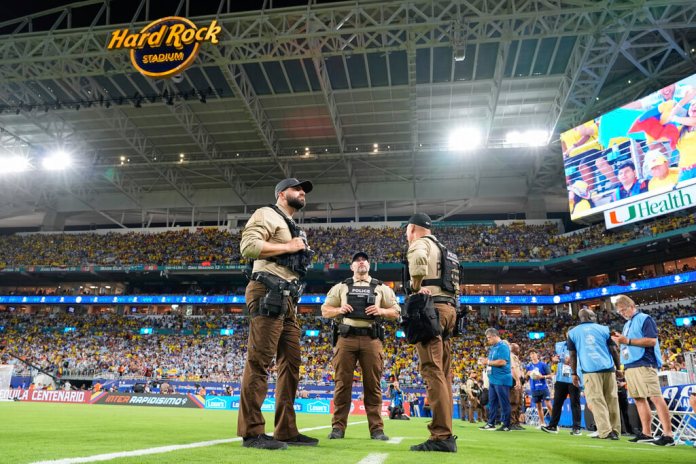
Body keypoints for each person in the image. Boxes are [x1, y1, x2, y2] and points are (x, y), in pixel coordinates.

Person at [237, 177, 318, 450]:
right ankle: (252, 432)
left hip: (289, 299)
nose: (302, 193)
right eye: (297, 189)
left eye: (304, 191)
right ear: (282, 194)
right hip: (267, 290)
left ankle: (285, 430)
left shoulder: (295, 227)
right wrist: (288, 247)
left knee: (291, 365)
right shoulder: (266, 214)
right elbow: (247, 247)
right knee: (260, 362)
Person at [321, 251, 400, 440]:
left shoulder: (381, 288)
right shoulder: (341, 287)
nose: (361, 262)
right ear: (352, 267)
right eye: (357, 260)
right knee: (342, 384)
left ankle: (377, 430)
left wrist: (381, 310)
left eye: (364, 259)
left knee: (373, 385)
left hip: (371, 339)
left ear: (369, 265)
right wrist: (339, 309)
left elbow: (397, 311)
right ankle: (338, 428)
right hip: (346, 337)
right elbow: (324, 310)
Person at [405, 213, 459, 453]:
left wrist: (415, 286)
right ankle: (445, 431)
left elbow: (417, 264)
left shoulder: (420, 243)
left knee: (431, 370)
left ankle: (441, 436)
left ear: (413, 229)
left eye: (407, 231)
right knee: (444, 374)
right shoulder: (446, 249)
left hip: (431, 310)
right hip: (449, 310)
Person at [611, 295, 675, 446]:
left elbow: (652, 341)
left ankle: (668, 434)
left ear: (631, 306)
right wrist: (621, 341)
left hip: (645, 362)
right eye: (620, 312)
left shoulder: (645, 318)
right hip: (631, 365)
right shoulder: (627, 324)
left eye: (623, 310)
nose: (622, 313)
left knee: (655, 397)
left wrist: (626, 341)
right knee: (639, 398)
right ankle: (647, 433)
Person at [567, 308, 621, 441]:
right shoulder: (604, 329)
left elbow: (573, 355)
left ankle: (605, 431)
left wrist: (574, 373)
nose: (595, 316)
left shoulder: (572, 333)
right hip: (608, 368)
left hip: (590, 371)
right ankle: (615, 430)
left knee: (597, 401)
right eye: (593, 315)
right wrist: (618, 368)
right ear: (590, 316)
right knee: (612, 399)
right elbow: (613, 350)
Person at [541, 340, 582, 435]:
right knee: (557, 404)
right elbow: (556, 359)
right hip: (560, 379)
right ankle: (553, 426)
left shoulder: (580, 345)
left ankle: (577, 428)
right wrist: (554, 360)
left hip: (574, 378)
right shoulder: (559, 345)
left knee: (574, 403)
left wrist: (571, 361)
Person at [479, 328, 512, 432]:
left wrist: (487, 362)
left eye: (489, 338)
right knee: (492, 402)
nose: (488, 340)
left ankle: (506, 425)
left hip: (501, 379)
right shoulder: (494, 347)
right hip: (493, 378)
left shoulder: (503, 346)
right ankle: (491, 423)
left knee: (504, 402)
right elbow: (492, 362)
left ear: (494, 336)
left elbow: (502, 362)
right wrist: (485, 362)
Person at [526, 350, 553, 426]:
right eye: (531, 354)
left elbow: (550, 375)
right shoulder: (528, 366)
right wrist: (527, 374)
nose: (533, 355)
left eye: (534, 353)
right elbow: (526, 377)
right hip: (534, 388)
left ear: (537, 355)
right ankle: (542, 423)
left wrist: (542, 376)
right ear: (530, 356)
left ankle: (554, 423)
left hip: (543, 387)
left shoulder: (543, 365)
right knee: (538, 407)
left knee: (549, 405)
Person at [509, 343, 525, 430]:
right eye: (517, 348)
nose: (519, 350)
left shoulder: (516, 357)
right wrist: (517, 380)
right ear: (512, 349)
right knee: (514, 402)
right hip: (515, 382)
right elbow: (513, 369)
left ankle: (517, 422)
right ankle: (512, 422)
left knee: (519, 403)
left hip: (519, 381)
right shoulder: (511, 356)